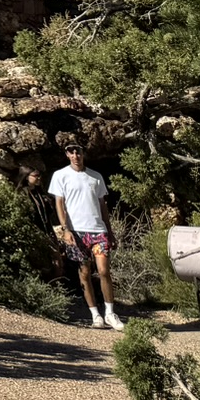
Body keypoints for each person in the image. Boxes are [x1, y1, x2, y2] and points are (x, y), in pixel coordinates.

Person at [50, 141, 123, 330]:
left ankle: (110, 313)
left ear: (83, 153)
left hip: (98, 230)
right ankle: (95, 314)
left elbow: (102, 205)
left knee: (104, 271)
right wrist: (65, 229)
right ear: (67, 154)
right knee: (84, 272)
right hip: (77, 231)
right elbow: (59, 203)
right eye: (71, 152)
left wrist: (110, 231)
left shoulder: (95, 177)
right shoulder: (60, 175)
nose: (75, 155)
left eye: (78, 152)